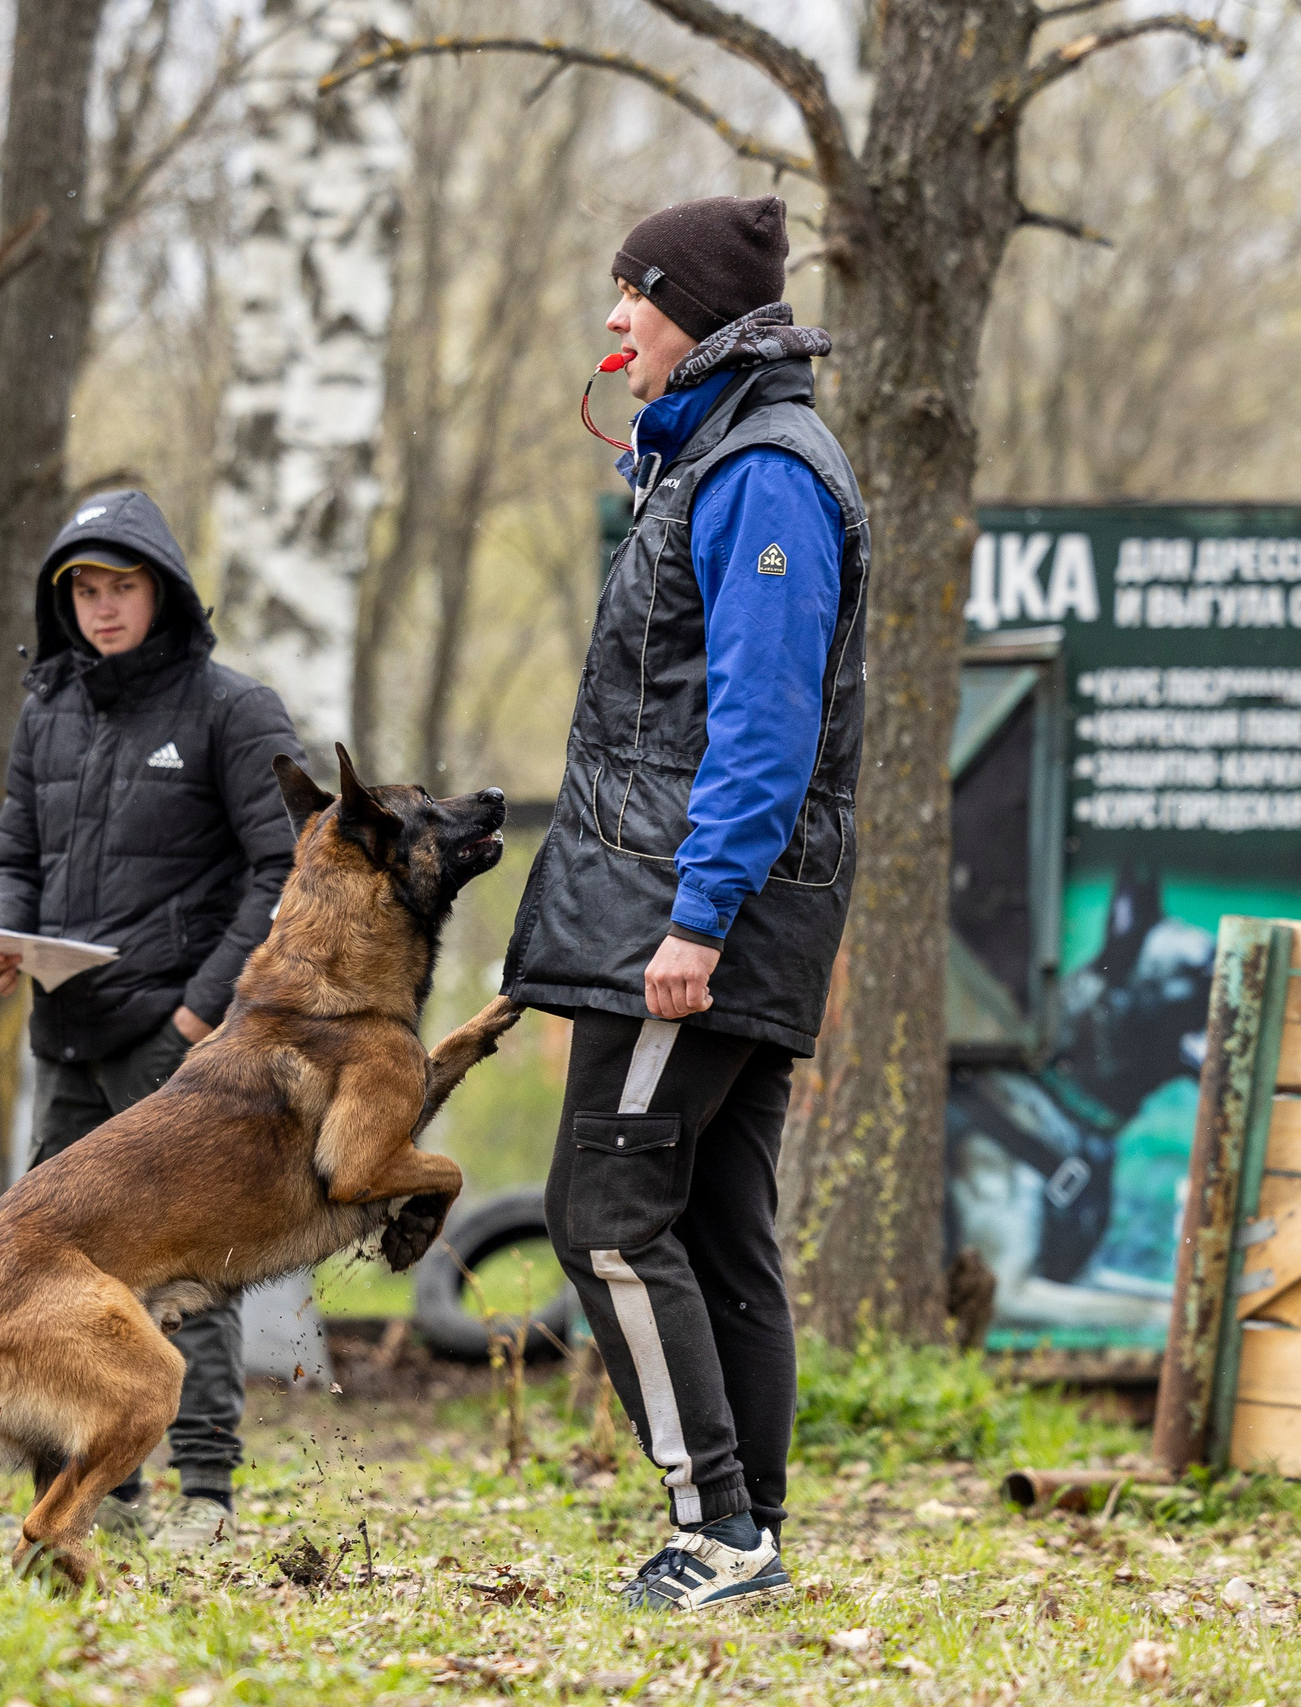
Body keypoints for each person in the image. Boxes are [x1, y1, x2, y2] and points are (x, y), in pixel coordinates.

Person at [501, 196, 865, 1611]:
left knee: (600, 1208)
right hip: (683, 908)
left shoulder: (766, 472)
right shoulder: (711, 455)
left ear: (695, 315)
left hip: (692, 922)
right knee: (714, 1226)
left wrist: (699, 920)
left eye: (633, 300)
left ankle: (718, 1530)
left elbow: (765, 729)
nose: (613, 324)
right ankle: (751, 1524)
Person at [0, 488, 303, 1552]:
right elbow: (15, 849)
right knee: (45, 1269)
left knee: (181, 1267)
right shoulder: (47, 708)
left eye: (122, 588)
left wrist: (209, 1005)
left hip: (181, 1042)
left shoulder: (231, 710)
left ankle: (204, 1492)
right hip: (65, 1032)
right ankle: (94, 1494)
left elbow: (288, 868)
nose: (103, 610)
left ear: (163, 590)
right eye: (85, 592)